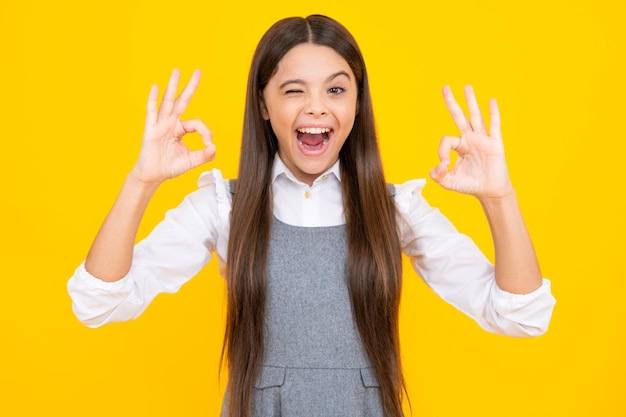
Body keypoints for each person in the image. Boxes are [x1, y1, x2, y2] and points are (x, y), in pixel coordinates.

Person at [67, 14, 556, 417]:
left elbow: (520, 315)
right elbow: (98, 302)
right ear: (263, 103)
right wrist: (141, 182)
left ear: (357, 103)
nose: (317, 108)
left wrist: (499, 197)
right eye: (294, 90)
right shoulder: (225, 207)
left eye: (337, 91)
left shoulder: (395, 210)